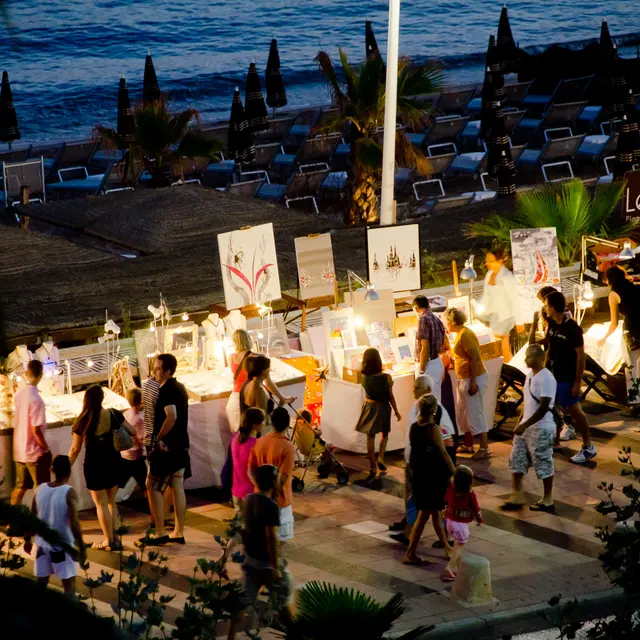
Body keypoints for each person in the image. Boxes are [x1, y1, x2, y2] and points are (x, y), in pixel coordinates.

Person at [227, 464, 291, 640]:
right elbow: (271, 537)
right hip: (265, 563)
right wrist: (275, 566)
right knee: (282, 602)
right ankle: (295, 634)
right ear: (272, 482)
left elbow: (244, 530)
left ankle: (231, 637)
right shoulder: (271, 506)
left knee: (244, 600)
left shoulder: (250, 500)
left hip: (250, 560)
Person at [390, 376, 456, 546]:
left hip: (428, 470)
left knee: (429, 506)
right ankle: (412, 534)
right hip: (422, 468)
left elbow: (445, 447)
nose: (414, 390)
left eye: (417, 387)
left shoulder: (433, 422)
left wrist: (449, 471)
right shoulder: (424, 417)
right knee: (426, 506)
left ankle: (416, 536)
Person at [69, 385, 135, 550]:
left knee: (100, 505)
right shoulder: (113, 414)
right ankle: (114, 538)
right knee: (111, 501)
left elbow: (75, 449)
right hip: (113, 460)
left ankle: (108, 540)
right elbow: (132, 431)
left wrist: (66, 467)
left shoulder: (83, 419)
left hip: (94, 464)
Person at [500, 344, 558, 512]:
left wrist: (525, 424)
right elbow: (529, 404)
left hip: (541, 427)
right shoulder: (530, 376)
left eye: (530, 356)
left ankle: (548, 499)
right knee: (516, 459)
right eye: (526, 356)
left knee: (543, 461)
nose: (526, 359)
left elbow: (544, 407)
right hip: (526, 426)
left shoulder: (546, 378)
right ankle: (517, 494)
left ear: (541, 359)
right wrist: (521, 422)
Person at [23, 455, 88, 597]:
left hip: (41, 546)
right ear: (69, 472)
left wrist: (27, 539)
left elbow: (32, 517)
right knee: (69, 586)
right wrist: (82, 547)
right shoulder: (69, 492)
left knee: (41, 583)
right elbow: (74, 523)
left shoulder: (40, 489)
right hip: (62, 547)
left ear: (52, 469)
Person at [403, 394, 456, 565]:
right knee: (425, 514)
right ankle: (410, 552)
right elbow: (443, 453)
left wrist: (411, 475)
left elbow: (413, 453)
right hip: (432, 476)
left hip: (420, 475)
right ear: (434, 410)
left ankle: (447, 548)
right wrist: (454, 473)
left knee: (433, 512)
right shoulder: (432, 429)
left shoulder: (414, 427)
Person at [544, 292, 596, 465]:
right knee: (554, 407)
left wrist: (577, 381)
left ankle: (588, 445)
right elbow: (549, 349)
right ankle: (554, 441)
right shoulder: (552, 324)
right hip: (554, 375)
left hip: (568, 375)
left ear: (553, 307)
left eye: (546, 305)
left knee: (574, 409)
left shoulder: (573, 329)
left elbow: (580, 357)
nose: (545, 309)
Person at [145, 353, 190, 545]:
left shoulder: (166, 390)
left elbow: (171, 415)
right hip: (180, 444)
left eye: (157, 369)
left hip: (167, 447)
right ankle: (178, 531)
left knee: (152, 485)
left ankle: (160, 531)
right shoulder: (180, 387)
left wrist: (159, 438)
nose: (154, 372)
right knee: (177, 485)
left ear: (167, 371)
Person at [445, 308, 491, 460]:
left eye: (447, 321)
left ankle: (484, 447)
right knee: (463, 412)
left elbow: (475, 359)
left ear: (452, 322)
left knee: (475, 413)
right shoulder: (461, 334)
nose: (446, 324)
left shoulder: (466, 335)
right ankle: (468, 443)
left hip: (473, 378)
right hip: (464, 377)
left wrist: (473, 383)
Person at [227, 330, 294, 433]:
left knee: (241, 438)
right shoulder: (258, 358)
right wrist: (281, 398)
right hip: (249, 399)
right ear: (249, 339)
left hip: (234, 400)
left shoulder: (231, 357)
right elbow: (268, 382)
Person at [248, 407, 296, 543]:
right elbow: (282, 477)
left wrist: (261, 489)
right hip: (280, 502)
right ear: (287, 424)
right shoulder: (287, 447)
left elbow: (250, 470)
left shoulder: (259, 442)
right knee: (278, 545)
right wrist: (272, 494)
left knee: (262, 542)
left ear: (271, 422)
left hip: (260, 500)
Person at [354, 348, 402, 480]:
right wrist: (397, 411)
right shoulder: (387, 377)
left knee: (370, 436)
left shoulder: (364, 377)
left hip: (369, 406)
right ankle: (381, 456)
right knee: (384, 433)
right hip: (383, 407)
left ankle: (372, 465)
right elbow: (391, 396)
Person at [598, 266, 640, 414]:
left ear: (609, 280)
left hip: (631, 332)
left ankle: (636, 404)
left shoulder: (614, 294)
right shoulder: (636, 288)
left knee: (631, 367)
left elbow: (614, 323)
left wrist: (603, 338)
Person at [11, 359, 51, 506]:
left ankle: (12, 521)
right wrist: (46, 449)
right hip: (34, 452)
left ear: (27, 372)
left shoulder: (19, 394)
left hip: (19, 449)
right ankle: (40, 521)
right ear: (41, 375)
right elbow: (36, 430)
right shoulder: (37, 400)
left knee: (20, 487)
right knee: (42, 489)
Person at [476, 247, 525, 362]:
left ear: (500, 261)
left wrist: (519, 322)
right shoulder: (489, 275)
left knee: (502, 348)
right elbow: (486, 296)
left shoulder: (507, 277)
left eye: (490, 261)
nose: (487, 263)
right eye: (486, 260)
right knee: (501, 349)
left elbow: (514, 299)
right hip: (494, 316)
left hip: (506, 316)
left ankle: (510, 370)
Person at [441, 465, 482, 582]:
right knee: (459, 546)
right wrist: (479, 519)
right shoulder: (470, 494)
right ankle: (449, 567)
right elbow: (476, 508)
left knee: (456, 545)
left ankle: (458, 570)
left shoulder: (451, 489)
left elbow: (445, 500)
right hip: (460, 525)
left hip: (449, 522)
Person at [231, 407, 264, 518]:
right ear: (255, 425)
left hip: (237, 491)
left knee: (238, 528)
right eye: (262, 422)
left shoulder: (235, 438)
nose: (264, 424)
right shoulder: (256, 444)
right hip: (251, 493)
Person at [412, 295, 447, 400]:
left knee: (427, 402)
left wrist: (421, 370)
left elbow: (425, 348)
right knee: (436, 400)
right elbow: (443, 342)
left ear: (416, 308)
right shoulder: (435, 318)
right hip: (436, 362)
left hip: (428, 365)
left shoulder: (423, 319)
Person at [119, 387, 148, 497]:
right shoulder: (141, 418)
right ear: (141, 401)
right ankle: (151, 507)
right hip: (137, 456)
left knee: (119, 483)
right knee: (145, 485)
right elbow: (141, 439)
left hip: (125, 454)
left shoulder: (125, 414)